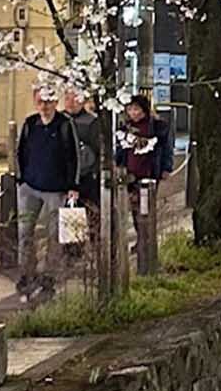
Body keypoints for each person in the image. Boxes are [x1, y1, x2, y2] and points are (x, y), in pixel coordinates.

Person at [15, 88, 80, 303]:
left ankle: (50, 276)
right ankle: (26, 274)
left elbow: (73, 156)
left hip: (56, 188)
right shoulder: (30, 124)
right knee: (25, 232)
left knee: (55, 235)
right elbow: (21, 151)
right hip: (30, 186)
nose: (44, 106)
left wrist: (72, 185)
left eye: (49, 102)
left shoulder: (64, 124)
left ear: (55, 103)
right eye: (41, 102)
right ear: (35, 103)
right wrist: (21, 178)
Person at [114, 94, 174, 228]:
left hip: (149, 171)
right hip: (130, 173)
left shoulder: (158, 126)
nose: (133, 113)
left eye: (136, 109)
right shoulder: (125, 128)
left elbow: (167, 148)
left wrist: (166, 168)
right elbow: (120, 151)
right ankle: (140, 236)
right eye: (129, 109)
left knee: (146, 207)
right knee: (135, 206)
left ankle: (146, 238)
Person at [61, 90, 104, 267]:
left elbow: (99, 149)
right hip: (67, 176)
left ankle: (96, 249)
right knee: (70, 213)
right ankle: (73, 253)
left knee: (91, 212)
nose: (71, 102)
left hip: (87, 176)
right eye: (68, 98)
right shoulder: (60, 120)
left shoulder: (92, 122)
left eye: (75, 99)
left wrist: (94, 171)